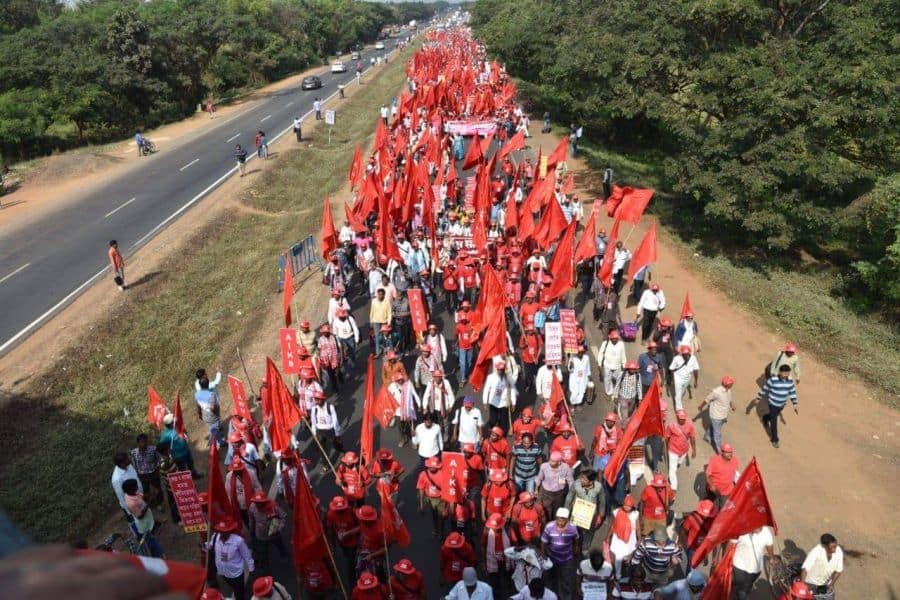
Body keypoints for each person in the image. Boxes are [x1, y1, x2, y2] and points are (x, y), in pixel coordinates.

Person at [209, 518, 255, 600]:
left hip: (236, 573)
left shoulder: (238, 541)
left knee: (239, 594)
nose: (222, 533)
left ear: (229, 531)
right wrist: (204, 546)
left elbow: (247, 556)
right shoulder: (215, 536)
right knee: (234, 587)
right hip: (223, 572)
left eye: (224, 531)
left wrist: (251, 569)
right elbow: (210, 546)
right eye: (220, 530)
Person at [541, 508, 580, 600]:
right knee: (550, 580)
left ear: (567, 519)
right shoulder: (549, 527)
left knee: (565, 581)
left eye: (562, 519)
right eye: (558, 518)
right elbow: (543, 542)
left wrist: (576, 547)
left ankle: (565, 597)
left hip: (567, 560)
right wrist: (543, 555)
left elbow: (576, 538)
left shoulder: (572, 527)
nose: (560, 521)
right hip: (552, 558)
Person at [758, 364, 799, 448]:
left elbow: (792, 392)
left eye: (787, 373)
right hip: (772, 404)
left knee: (773, 416)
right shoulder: (773, 380)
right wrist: (758, 398)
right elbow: (764, 389)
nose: (785, 375)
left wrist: (795, 404)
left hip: (781, 404)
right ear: (780, 372)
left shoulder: (790, 381)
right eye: (784, 373)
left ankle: (765, 418)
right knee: (774, 422)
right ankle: (774, 440)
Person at [121, 479, 164, 557]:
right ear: (129, 489)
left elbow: (141, 495)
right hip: (143, 524)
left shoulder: (131, 493)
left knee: (151, 532)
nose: (137, 488)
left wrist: (151, 494)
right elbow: (140, 516)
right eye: (135, 487)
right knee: (150, 541)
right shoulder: (131, 503)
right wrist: (148, 503)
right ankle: (157, 555)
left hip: (147, 519)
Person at [731, 526, 775, 600]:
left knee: (746, 587)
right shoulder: (741, 528)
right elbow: (731, 543)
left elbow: (769, 545)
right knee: (741, 590)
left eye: (761, 528)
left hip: (755, 569)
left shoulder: (766, 532)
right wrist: (725, 559)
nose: (759, 531)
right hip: (739, 566)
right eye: (757, 528)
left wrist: (771, 557)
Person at [565, 468, 604, 551]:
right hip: (577, 513)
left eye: (584, 479)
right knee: (574, 529)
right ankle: (574, 545)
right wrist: (566, 512)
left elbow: (602, 501)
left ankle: (585, 547)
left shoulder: (598, 487)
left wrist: (601, 515)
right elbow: (569, 498)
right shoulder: (576, 484)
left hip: (591, 514)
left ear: (591, 481)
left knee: (589, 531)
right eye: (581, 477)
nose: (581, 480)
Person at [248, 492, 287, 573]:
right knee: (263, 553)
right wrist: (251, 530)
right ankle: (266, 570)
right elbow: (251, 520)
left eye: (259, 503)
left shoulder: (273, 506)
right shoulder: (252, 507)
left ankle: (285, 556)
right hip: (261, 536)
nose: (257, 504)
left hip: (274, 535)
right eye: (256, 502)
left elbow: (283, 516)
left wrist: (279, 528)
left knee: (280, 546)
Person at [325, 495, 359, 585]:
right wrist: (332, 544)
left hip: (353, 543)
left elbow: (361, 527)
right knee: (348, 557)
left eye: (342, 509)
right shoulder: (330, 514)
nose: (340, 511)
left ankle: (352, 583)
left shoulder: (352, 511)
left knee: (350, 564)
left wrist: (349, 533)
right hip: (341, 543)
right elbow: (330, 530)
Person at [695, 376, 734, 452]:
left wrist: (731, 405)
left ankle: (706, 436)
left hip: (723, 415)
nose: (732, 384)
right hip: (716, 416)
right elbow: (707, 399)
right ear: (727, 384)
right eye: (731, 383)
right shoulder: (716, 392)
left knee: (714, 427)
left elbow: (729, 399)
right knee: (717, 434)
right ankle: (721, 452)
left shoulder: (729, 390)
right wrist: (700, 407)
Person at [606, 494, 638, 579]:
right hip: (618, 539)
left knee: (628, 558)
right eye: (625, 505)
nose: (627, 508)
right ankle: (618, 575)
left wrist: (640, 538)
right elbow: (612, 525)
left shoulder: (635, 514)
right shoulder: (616, 512)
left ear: (632, 506)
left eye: (629, 506)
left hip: (630, 540)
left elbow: (637, 528)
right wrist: (608, 537)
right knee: (618, 558)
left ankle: (628, 575)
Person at [481, 513, 514, 596]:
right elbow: (483, 546)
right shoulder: (486, 531)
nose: (495, 529)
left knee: (508, 583)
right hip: (492, 563)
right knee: (495, 586)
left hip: (507, 562)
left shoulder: (507, 529)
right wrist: (484, 563)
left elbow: (515, 544)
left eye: (497, 527)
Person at [535, 451, 574, 519]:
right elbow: (539, 478)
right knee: (547, 511)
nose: (550, 462)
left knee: (557, 511)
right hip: (547, 493)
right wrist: (536, 489)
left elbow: (570, 481)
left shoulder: (565, 467)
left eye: (553, 461)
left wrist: (571, 493)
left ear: (559, 462)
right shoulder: (544, 466)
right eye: (550, 460)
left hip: (559, 494)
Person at [112, 452, 143, 535]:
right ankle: (140, 536)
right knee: (135, 522)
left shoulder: (128, 466)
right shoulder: (117, 479)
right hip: (131, 504)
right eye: (127, 459)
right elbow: (122, 498)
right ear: (122, 464)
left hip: (138, 497)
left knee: (143, 516)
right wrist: (130, 511)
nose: (129, 459)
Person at [665, 409, 696, 491]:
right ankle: (674, 487)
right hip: (673, 450)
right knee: (672, 469)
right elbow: (667, 437)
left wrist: (694, 450)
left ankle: (677, 464)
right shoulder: (671, 426)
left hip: (684, 450)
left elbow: (692, 437)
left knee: (679, 463)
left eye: (683, 418)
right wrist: (665, 447)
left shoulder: (690, 425)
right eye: (680, 418)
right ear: (676, 417)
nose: (682, 420)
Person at [417, 456, 448, 538]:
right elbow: (421, 489)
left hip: (441, 499)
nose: (432, 469)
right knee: (434, 516)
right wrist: (421, 504)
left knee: (442, 517)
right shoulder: (423, 475)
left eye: (434, 467)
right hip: (430, 499)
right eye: (431, 467)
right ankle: (436, 530)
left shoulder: (443, 474)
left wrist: (446, 507)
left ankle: (441, 532)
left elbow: (446, 491)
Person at [483, 360, 517, 431]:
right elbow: (486, 389)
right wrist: (485, 402)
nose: (500, 371)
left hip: (503, 403)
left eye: (502, 370)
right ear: (496, 369)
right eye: (499, 370)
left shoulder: (508, 378)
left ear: (504, 369)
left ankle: (501, 434)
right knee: (492, 420)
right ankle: (493, 430)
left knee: (502, 422)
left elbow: (513, 389)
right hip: (493, 403)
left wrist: (513, 402)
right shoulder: (490, 377)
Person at [131, 434, 160, 507]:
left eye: (145, 442)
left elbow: (158, 460)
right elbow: (134, 464)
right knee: (145, 491)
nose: (144, 444)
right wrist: (138, 473)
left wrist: (157, 469)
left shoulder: (153, 449)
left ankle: (160, 502)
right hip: (142, 475)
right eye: (141, 442)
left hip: (153, 473)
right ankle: (149, 504)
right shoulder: (134, 453)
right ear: (138, 443)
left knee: (157, 489)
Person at [196, 374, 225, 448]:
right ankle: (220, 443)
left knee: (210, 427)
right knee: (215, 430)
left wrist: (200, 414)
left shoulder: (197, 394)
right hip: (212, 416)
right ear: (208, 384)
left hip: (204, 415)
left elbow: (198, 406)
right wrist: (216, 413)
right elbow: (212, 408)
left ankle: (212, 436)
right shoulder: (211, 395)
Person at [597, 330, 627, 400]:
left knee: (618, 380)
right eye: (613, 339)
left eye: (616, 339)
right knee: (607, 380)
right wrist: (599, 364)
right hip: (607, 366)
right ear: (610, 338)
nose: (615, 340)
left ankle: (616, 394)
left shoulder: (621, 344)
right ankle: (608, 393)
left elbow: (623, 355)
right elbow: (600, 354)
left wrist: (624, 365)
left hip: (618, 366)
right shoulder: (605, 343)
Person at [668, 345, 699, 411]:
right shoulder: (676, 358)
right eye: (683, 354)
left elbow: (696, 370)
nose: (685, 356)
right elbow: (671, 369)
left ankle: (678, 400)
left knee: (682, 392)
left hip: (687, 379)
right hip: (678, 378)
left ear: (689, 353)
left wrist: (696, 381)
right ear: (681, 354)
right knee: (678, 394)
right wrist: (673, 380)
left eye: (687, 354)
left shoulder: (693, 358)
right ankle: (679, 409)